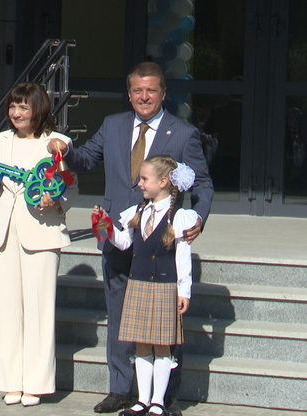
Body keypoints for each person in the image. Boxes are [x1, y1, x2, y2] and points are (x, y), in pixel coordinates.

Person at [48, 62, 213, 415]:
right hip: (119, 236)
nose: (144, 97)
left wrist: (198, 218)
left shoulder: (182, 133)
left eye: (151, 90)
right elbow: (86, 159)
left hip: (161, 245)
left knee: (165, 323)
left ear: (164, 93)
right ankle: (122, 390)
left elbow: (202, 183)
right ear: (129, 93)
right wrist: (64, 150)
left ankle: (165, 397)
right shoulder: (113, 125)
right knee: (121, 316)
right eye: (137, 90)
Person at [0, 83, 78, 406]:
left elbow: (68, 186)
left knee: (39, 308)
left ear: (39, 110)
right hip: (6, 228)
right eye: (13, 107)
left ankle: (37, 382)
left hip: (42, 231)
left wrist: (54, 199)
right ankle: (11, 381)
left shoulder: (53, 144)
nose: (16, 113)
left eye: (23, 107)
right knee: (8, 308)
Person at [94, 155, 196, 416]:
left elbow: (182, 257)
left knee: (162, 346)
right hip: (138, 286)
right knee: (140, 344)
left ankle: (158, 402)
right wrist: (106, 226)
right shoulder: (138, 212)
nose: (139, 183)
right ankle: (142, 399)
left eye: (144, 179)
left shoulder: (179, 217)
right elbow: (124, 243)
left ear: (163, 182)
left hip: (164, 288)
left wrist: (183, 290)